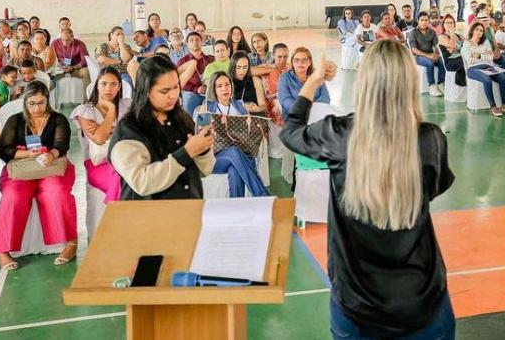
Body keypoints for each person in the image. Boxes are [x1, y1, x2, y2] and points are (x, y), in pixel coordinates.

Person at [280, 41, 455, 340]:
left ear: (364, 83)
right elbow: (433, 188)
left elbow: (291, 130)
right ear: (409, 82)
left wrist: (313, 81)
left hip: (356, 306)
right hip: (424, 304)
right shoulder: (430, 140)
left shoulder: (339, 135)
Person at [0, 81, 78, 269]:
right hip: (22, 168)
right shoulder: (15, 120)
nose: (37, 108)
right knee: (13, 196)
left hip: (52, 167)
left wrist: (51, 154)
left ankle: (71, 243)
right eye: (32, 103)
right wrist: (26, 154)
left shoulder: (58, 119)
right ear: (25, 102)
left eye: (41, 102)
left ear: (47, 100)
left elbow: (62, 144)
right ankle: (3, 251)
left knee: (57, 191)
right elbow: (3, 150)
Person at [109, 55, 216, 201]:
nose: (173, 95)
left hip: (188, 212)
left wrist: (202, 150)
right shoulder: (129, 130)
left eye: (176, 87)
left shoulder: (181, 119)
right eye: (164, 91)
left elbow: (204, 171)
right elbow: (142, 182)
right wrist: (186, 153)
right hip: (148, 218)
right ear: (145, 90)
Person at [195, 71, 269, 198]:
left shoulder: (240, 106)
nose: (224, 88)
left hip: (240, 155)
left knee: (235, 166)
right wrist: (207, 130)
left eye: (227, 84)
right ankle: (262, 195)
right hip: (214, 158)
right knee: (234, 153)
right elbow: (199, 134)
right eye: (219, 86)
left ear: (231, 86)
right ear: (214, 89)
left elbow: (249, 134)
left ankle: (235, 206)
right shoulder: (206, 107)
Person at [71, 67, 130, 205]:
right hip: (99, 164)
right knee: (120, 175)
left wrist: (108, 129)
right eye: (103, 84)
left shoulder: (127, 105)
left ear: (119, 86)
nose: (108, 88)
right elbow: (100, 139)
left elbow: (138, 132)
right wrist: (111, 110)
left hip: (126, 158)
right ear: (96, 85)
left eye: (113, 84)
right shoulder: (84, 110)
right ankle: (117, 215)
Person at [461, 22, 505, 117]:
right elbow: (470, 60)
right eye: (477, 29)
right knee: (487, 80)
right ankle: (493, 106)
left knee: (502, 77)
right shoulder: (466, 43)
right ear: (472, 30)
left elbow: (491, 56)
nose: (479, 32)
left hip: (487, 66)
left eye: (481, 30)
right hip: (473, 69)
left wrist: (479, 55)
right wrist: (485, 54)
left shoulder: (485, 42)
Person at [278, 47, 333, 115]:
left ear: (309, 62)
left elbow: (325, 97)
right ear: (292, 62)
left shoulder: (317, 76)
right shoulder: (284, 78)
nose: (300, 63)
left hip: (317, 114)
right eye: (296, 60)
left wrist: (312, 108)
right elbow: (285, 99)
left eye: (304, 60)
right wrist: (300, 109)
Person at [176, 31, 213, 116]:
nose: (195, 42)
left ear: (202, 42)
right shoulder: (182, 62)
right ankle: (189, 126)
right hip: (191, 92)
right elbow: (181, 82)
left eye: (197, 40)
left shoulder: (210, 59)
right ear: (187, 44)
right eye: (191, 40)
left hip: (208, 92)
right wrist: (196, 89)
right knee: (189, 97)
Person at [409, 12, 445, 96]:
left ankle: (440, 84)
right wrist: (428, 55)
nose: (424, 22)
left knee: (442, 61)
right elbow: (414, 49)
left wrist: (436, 54)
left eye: (426, 20)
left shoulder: (432, 32)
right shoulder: (413, 32)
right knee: (430, 63)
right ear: (418, 21)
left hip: (430, 54)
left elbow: (436, 45)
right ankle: (431, 85)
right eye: (422, 20)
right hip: (418, 56)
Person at [438, 14, 466, 87]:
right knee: (466, 59)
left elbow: (468, 46)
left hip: (461, 58)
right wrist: (452, 34)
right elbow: (452, 46)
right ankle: (462, 82)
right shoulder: (442, 37)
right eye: (447, 23)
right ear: (443, 25)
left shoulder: (460, 36)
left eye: (451, 22)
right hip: (450, 62)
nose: (450, 24)